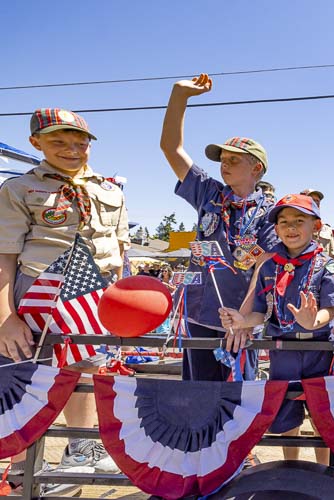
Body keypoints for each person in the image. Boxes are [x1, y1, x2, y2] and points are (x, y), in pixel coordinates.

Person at [0, 108, 128, 495]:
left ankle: (80, 450)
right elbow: (3, 258)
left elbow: (119, 254)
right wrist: (5, 317)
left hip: (94, 295)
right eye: (58, 141)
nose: (72, 150)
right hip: (38, 292)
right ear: (36, 143)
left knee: (88, 369)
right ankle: (22, 467)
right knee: (24, 377)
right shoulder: (18, 189)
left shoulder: (110, 190)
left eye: (80, 142)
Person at [160, 73, 279, 382]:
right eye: (222, 159)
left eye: (234, 160)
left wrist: (244, 320)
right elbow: (171, 148)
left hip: (239, 318)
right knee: (198, 397)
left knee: (239, 400)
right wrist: (179, 96)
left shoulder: (272, 212)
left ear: (256, 168)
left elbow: (263, 266)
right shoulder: (209, 193)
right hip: (201, 312)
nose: (224, 165)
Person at [219, 193, 334, 465]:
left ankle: (324, 474)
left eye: (300, 220)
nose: (291, 227)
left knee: (321, 416)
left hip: (318, 351)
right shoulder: (268, 266)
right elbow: (261, 311)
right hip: (282, 350)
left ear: (316, 226)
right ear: (275, 229)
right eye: (284, 222)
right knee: (287, 413)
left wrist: (314, 321)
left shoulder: (326, 264)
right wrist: (243, 321)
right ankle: (292, 469)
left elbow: (331, 308)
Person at [300, 188, 334, 256]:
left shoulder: (327, 229)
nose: (316, 203)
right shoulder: (294, 227)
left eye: (317, 201)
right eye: (312, 200)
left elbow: (332, 255)